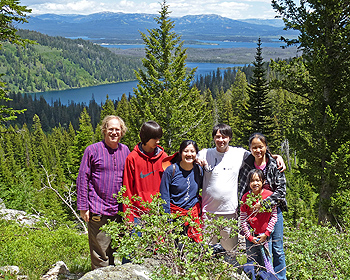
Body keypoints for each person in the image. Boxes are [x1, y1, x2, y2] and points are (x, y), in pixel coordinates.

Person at [197, 124, 285, 262]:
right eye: (218, 137)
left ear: (230, 138)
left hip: (237, 212)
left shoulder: (240, 154)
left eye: (224, 136)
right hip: (211, 211)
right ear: (213, 138)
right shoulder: (204, 153)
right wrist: (197, 160)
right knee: (209, 250)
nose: (221, 140)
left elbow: (259, 154)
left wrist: (277, 156)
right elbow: (187, 157)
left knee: (273, 250)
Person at [76, 115, 130, 270]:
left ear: (122, 132)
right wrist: (83, 206)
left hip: (119, 211)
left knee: (115, 250)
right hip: (98, 210)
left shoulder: (125, 150)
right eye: (111, 129)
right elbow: (82, 179)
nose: (114, 132)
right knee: (100, 254)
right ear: (104, 130)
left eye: (117, 129)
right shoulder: (92, 150)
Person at [238, 132, 287, 280]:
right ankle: (257, 276)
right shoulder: (246, 165)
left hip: (273, 212)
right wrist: (243, 214)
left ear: (266, 147)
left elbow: (281, 191)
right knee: (253, 248)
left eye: (261, 147)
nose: (258, 150)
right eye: (254, 147)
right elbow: (241, 190)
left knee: (277, 248)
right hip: (252, 215)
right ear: (250, 149)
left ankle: (279, 277)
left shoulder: (274, 165)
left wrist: (264, 204)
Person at [123, 120, 168, 222]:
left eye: (159, 138)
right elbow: (127, 189)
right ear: (146, 138)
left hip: (158, 213)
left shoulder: (163, 158)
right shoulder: (132, 158)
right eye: (155, 138)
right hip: (137, 215)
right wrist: (128, 217)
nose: (158, 141)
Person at [160, 140, 203, 242]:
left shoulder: (199, 170)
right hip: (175, 216)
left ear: (196, 153)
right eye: (185, 151)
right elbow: (164, 196)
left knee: (193, 251)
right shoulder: (171, 170)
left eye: (192, 151)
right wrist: (167, 220)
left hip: (192, 216)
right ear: (180, 153)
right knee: (176, 251)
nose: (189, 154)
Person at [240, 169, 277, 275]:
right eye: (252, 181)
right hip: (251, 235)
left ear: (263, 181)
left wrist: (266, 234)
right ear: (248, 183)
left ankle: (267, 276)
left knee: (266, 261)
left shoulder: (269, 196)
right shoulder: (246, 197)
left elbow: (274, 217)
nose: (255, 183)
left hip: (265, 236)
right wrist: (249, 237)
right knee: (251, 261)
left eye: (258, 180)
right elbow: (243, 219)